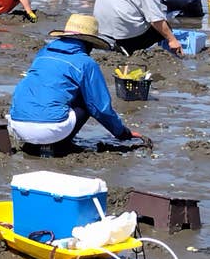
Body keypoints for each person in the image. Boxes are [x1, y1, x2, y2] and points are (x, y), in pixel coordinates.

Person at [8, 14, 147, 156]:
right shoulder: (85, 62)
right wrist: (122, 132)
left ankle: (36, 144)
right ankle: (61, 144)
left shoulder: (43, 53)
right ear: (88, 44)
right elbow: (100, 108)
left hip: (17, 125)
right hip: (50, 128)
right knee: (88, 100)